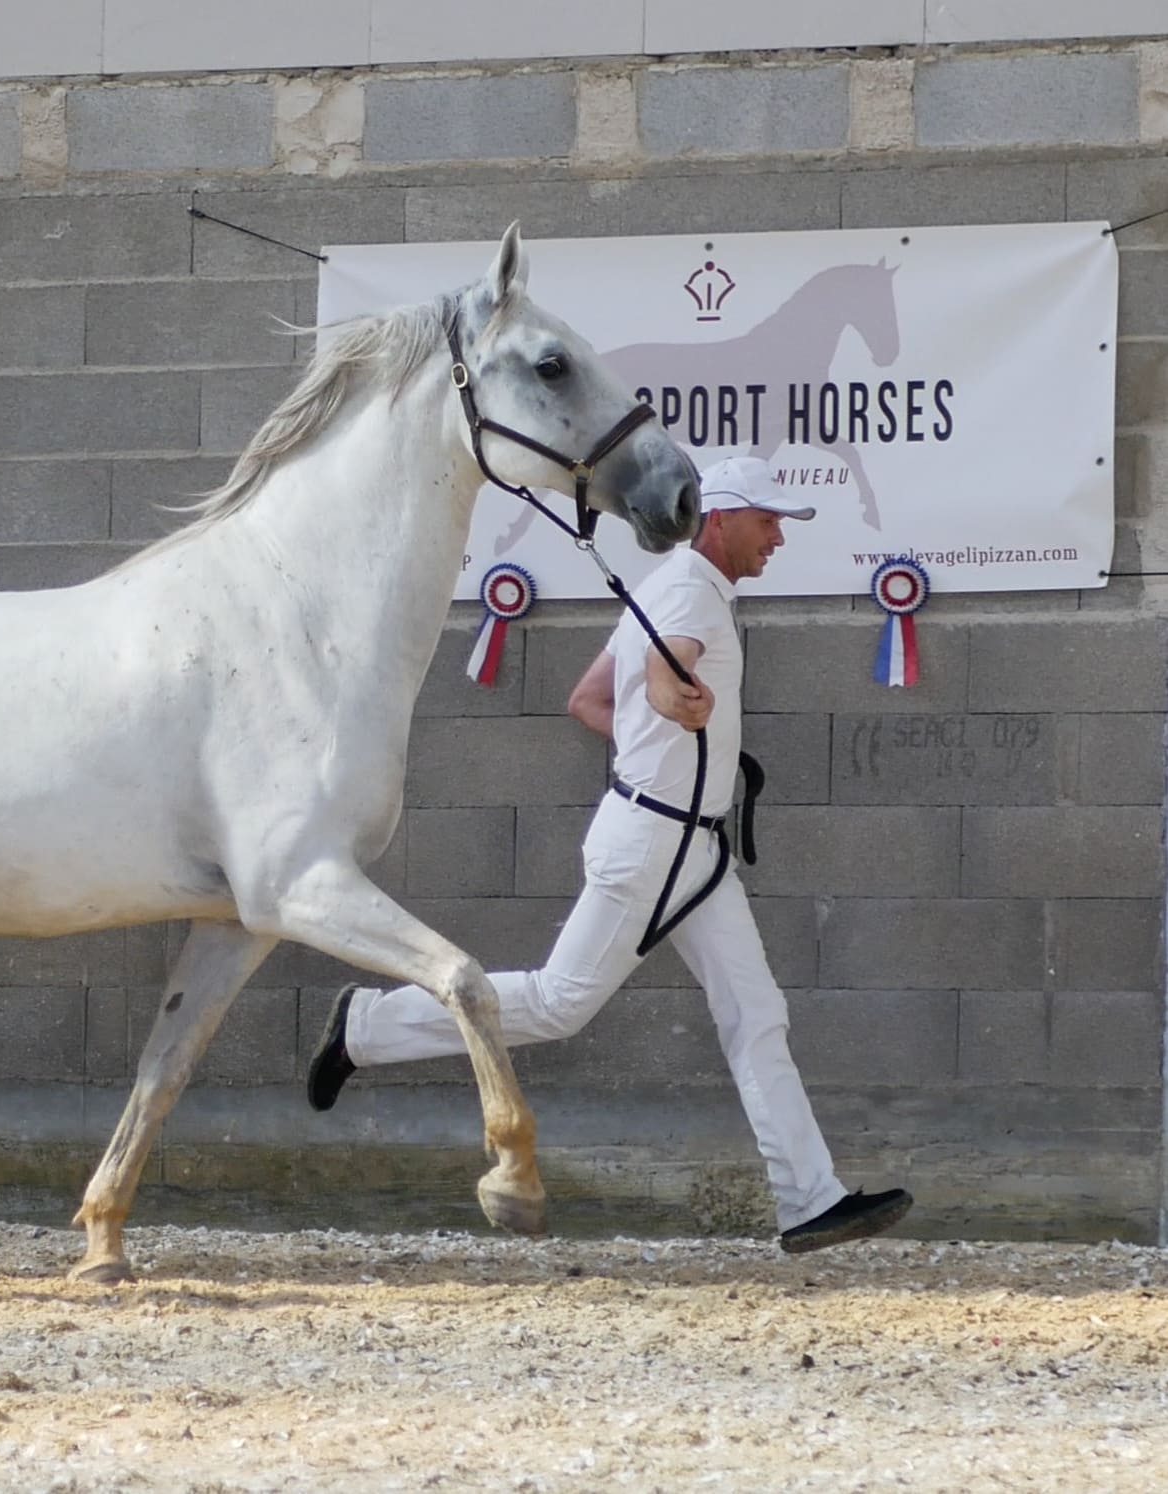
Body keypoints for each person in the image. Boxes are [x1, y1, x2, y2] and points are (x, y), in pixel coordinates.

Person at [306, 455, 912, 1254]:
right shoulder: (691, 591)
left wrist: (666, 727)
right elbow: (666, 671)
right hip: (654, 843)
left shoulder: (670, 587)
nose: (777, 538)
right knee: (560, 1005)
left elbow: (588, 699)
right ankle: (370, 1027)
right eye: (767, 521)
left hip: (692, 846)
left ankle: (809, 1200)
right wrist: (674, 701)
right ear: (722, 518)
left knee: (754, 1013)